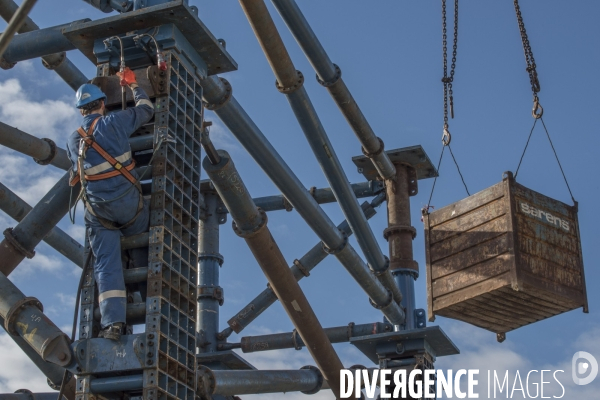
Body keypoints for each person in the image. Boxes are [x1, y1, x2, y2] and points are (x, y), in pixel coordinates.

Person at [67, 68, 154, 340]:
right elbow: (147, 109)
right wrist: (133, 85)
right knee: (140, 240)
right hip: (128, 205)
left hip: (98, 211)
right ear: (102, 103)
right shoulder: (115, 122)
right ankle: (148, 299)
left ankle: (113, 324)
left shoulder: (73, 139)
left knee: (105, 264)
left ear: (81, 110)